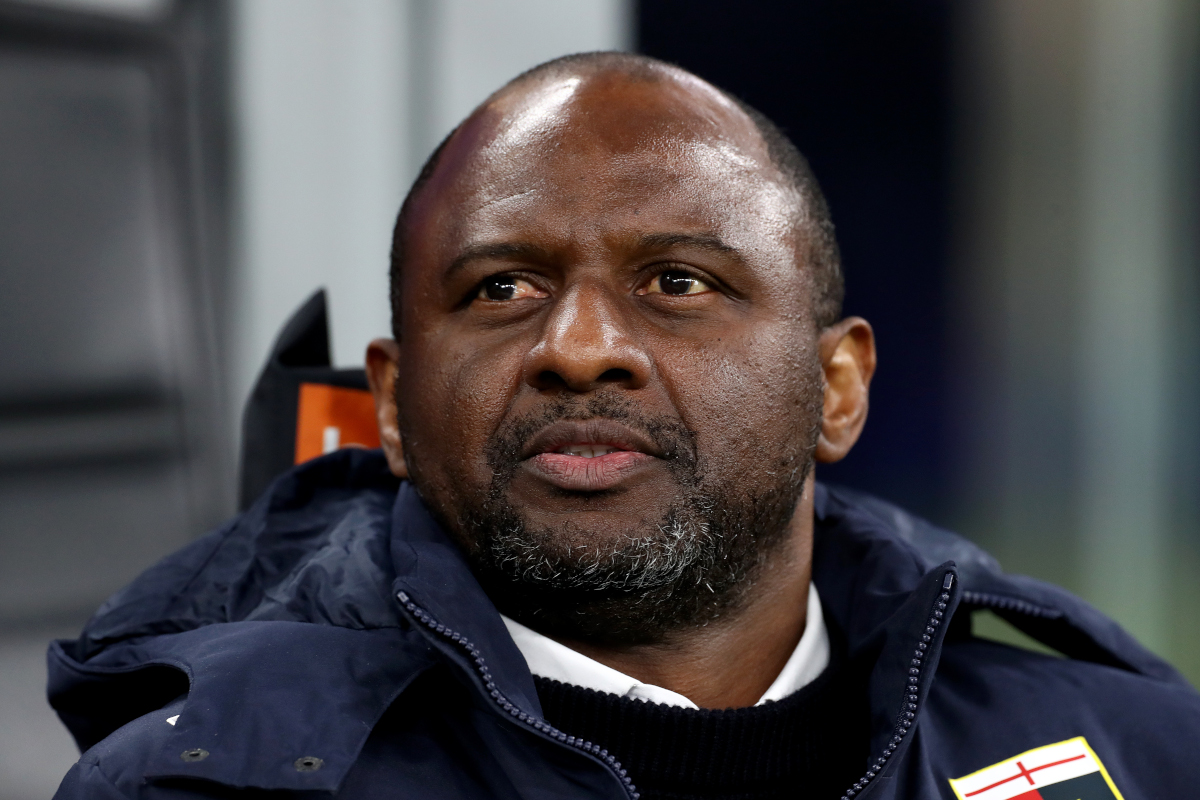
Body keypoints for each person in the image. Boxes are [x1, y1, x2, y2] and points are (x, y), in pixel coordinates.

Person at [49, 52, 1200, 800]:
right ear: (392, 405)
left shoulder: (1142, 753)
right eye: (502, 287)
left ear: (838, 387)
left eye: (678, 281)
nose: (579, 345)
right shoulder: (193, 783)